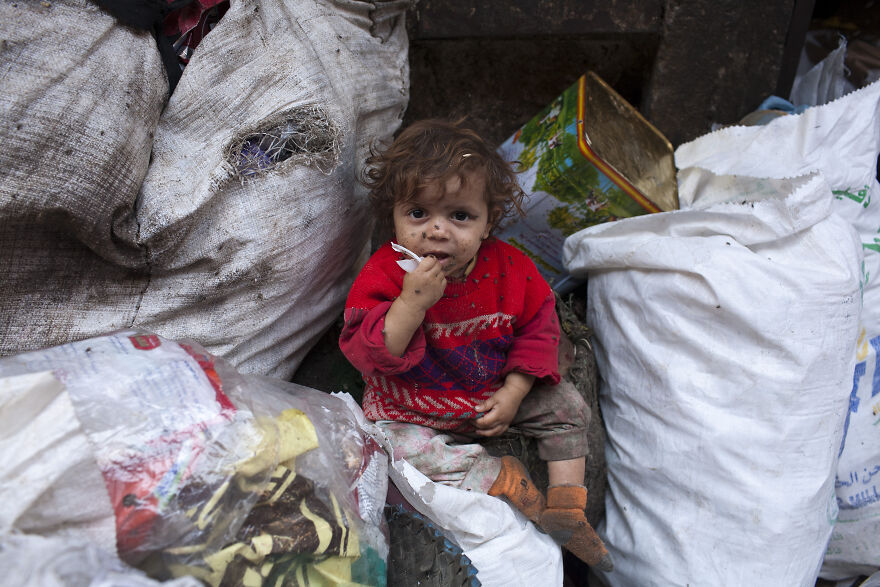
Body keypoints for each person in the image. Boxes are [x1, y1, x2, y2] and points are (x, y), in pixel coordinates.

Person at [339, 119, 612, 571]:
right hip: (411, 405)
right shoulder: (385, 273)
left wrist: (516, 391)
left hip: (490, 395)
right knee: (388, 445)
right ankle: (500, 477)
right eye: (418, 214)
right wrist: (410, 304)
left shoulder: (511, 269)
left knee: (567, 405)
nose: (437, 231)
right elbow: (366, 353)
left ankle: (567, 507)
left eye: (459, 216)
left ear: (488, 223)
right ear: (394, 216)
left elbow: (539, 327)